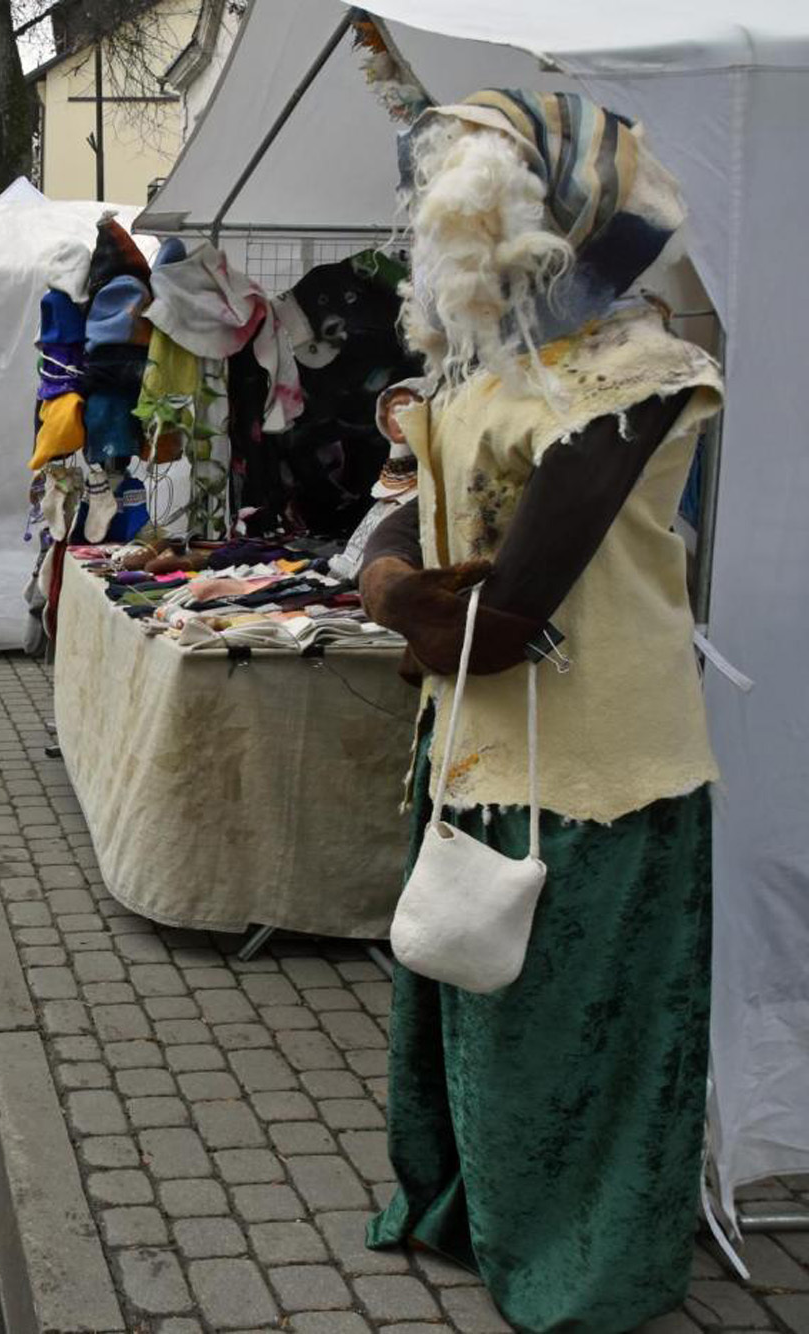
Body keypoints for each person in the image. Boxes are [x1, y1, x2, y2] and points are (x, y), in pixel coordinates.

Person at [357, 92, 725, 1333]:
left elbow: (501, 615)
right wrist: (399, 588)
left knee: (576, 1040)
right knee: (476, 1003)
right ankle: (474, 1207)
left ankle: (583, 1260)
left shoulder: (641, 372)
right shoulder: (479, 375)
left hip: (597, 770)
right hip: (472, 752)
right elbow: (395, 526)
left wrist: (406, 597)